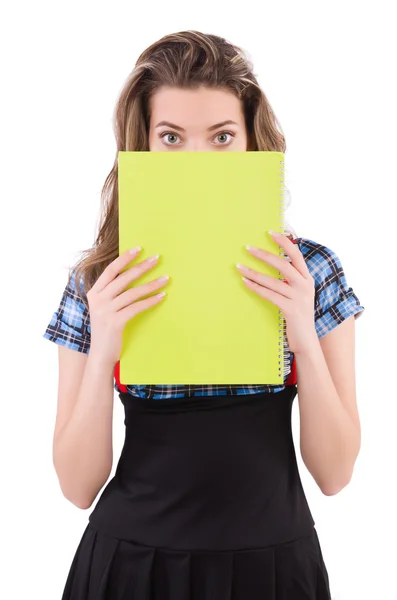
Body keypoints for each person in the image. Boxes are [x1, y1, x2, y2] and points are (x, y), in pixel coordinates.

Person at [43, 30, 365, 600]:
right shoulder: (100, 280)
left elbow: (336, 475)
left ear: (251, 142)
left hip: (275, 570)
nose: (198, 160)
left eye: (221, 136)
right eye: (172, 137)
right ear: (143, 144)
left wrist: (302, 334)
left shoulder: (310, 269)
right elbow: (77, 485)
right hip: (130, 570)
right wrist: (105, 349)